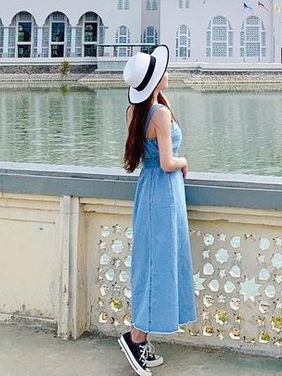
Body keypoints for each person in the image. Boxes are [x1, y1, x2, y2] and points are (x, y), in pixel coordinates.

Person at [119, 45, 196, 375]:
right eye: (162, 70)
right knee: (159, 262)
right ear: (153, 81)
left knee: (150, 262)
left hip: (148, 190)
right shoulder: (160, 114)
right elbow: (167, 162)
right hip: (164, 192)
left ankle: (139, 337)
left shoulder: (135, 112)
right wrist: (184, 161)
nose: (167, 72)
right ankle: (136, 338)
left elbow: (147, 159)